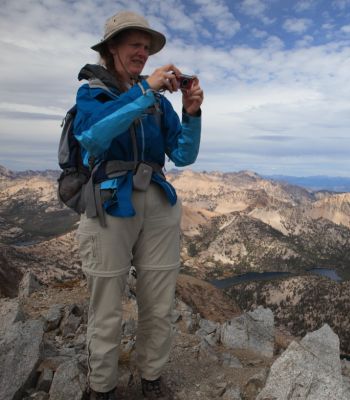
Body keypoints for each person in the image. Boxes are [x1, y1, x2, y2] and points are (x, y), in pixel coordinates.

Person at [74, 11, 203, 400]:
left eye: (146, 48)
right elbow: (91, 137)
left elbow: (183, 155)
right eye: (135, 45)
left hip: (158, 203)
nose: (142, 53)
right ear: (112, 48)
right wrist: (145, 90)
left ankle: (151, 376)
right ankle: (102, 386)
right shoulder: (94, 92)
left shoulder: (159, 105)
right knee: (107, 301)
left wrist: (192, 113)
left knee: (159, 299)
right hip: (111, 201)